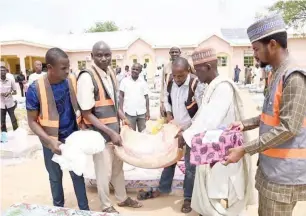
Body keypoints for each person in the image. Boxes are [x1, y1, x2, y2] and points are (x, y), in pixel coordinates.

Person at [225, 14, 306, 216]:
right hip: (271, 169)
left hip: (284, 174)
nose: (254, 55)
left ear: (272, 44)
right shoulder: (275, 73)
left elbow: (289, 128)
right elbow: (270, 115)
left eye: (255, 49)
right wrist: (245, 124)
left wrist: (245, 149)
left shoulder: (294, 77)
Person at [181, 47, 251, 216]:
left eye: (198, 70)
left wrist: (186, 136)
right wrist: (187, 129)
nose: (196, 75)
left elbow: (209, 120)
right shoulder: (212, 86)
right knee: (212, 192)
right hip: (212, 150)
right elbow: (202, 115)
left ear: (208, 67)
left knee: (222, 194)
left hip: (224, 152)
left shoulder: (223, 87)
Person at [77, 41, 142, 213]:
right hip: (100, 136)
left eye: (107, 55)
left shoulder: (111, 72)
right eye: (99, 55)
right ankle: (106, 206)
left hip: (115, 132)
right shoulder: (87, 76)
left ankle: (122, 198)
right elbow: (86, 112)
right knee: (103, 173)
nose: (104, 58)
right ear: (92, 56)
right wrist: (110, 133)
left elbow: (113, 104)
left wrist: (123, 118)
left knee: (117, 169)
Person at [26, 48, 89, 210]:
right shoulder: (35, 89)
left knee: (78, 174)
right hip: (51, 142)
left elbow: (81, 106)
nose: (68, 71)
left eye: (68, 67)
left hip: (72, 138)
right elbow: (32, 122)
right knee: (55, 177)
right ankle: (58, 209)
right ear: (50, 68)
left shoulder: (71, 81)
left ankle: (85, 210)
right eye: (63, 68)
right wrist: (49, 141)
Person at [143, 57, 203, 213]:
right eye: (175, 75)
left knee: (190, 166)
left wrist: (187, 131)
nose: (177, 79)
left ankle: (188, 197)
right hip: (175, 128)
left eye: (181, 76)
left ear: (188, 71)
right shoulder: (170, 80)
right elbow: (167, 101)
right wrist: (169, 116)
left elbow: (202, 112)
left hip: (192, 130)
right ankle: (163, 189)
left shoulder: (196, 84)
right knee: (169, 160)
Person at [119, 63, 150, 132]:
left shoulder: (143, 82)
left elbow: (146, 97)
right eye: (133, 69)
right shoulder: (124, 81)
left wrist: (148, 111)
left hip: (142, 112)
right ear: (131, 69)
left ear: (140, 71)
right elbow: (121, 96)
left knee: (143, 134)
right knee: (130, 134)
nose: (135, 71)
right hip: (129, 112)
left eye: (137, 69)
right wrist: (121, 111)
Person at [160, 47, 182, 117]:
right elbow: (163, 85)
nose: (174, 54)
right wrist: (162, 102)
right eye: (172, 52)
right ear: (169, 54)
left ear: (180, 53)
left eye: (176, 52)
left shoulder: (186, 65)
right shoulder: (166, 67)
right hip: (169, 100)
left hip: (182, 101)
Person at [1, 66, 18, 143]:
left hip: (10, 103)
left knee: (13, 120)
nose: (2, 72)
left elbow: (15, 91)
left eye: (4, 70)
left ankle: (17, 134)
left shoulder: (11, 80)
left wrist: (9, 93)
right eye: (1, 70)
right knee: (2, 121)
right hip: (1, 104)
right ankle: (4, 137)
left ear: (6, 72)